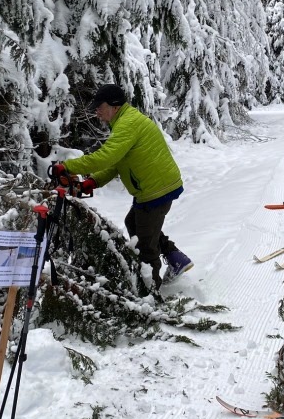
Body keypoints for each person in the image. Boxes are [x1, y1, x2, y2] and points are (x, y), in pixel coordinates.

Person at [52, 84, 193, 293]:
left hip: (155, 190)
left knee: (145, 245)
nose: (96, 111)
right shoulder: (124, 121)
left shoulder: (128, 123)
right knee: (134, 224)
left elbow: (106, 157)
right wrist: (93, 182)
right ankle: (175, 258)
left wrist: (67, 166)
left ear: (115, 106)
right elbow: (118, 162)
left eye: (100, 106)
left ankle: (151, 294)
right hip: (153, 187)